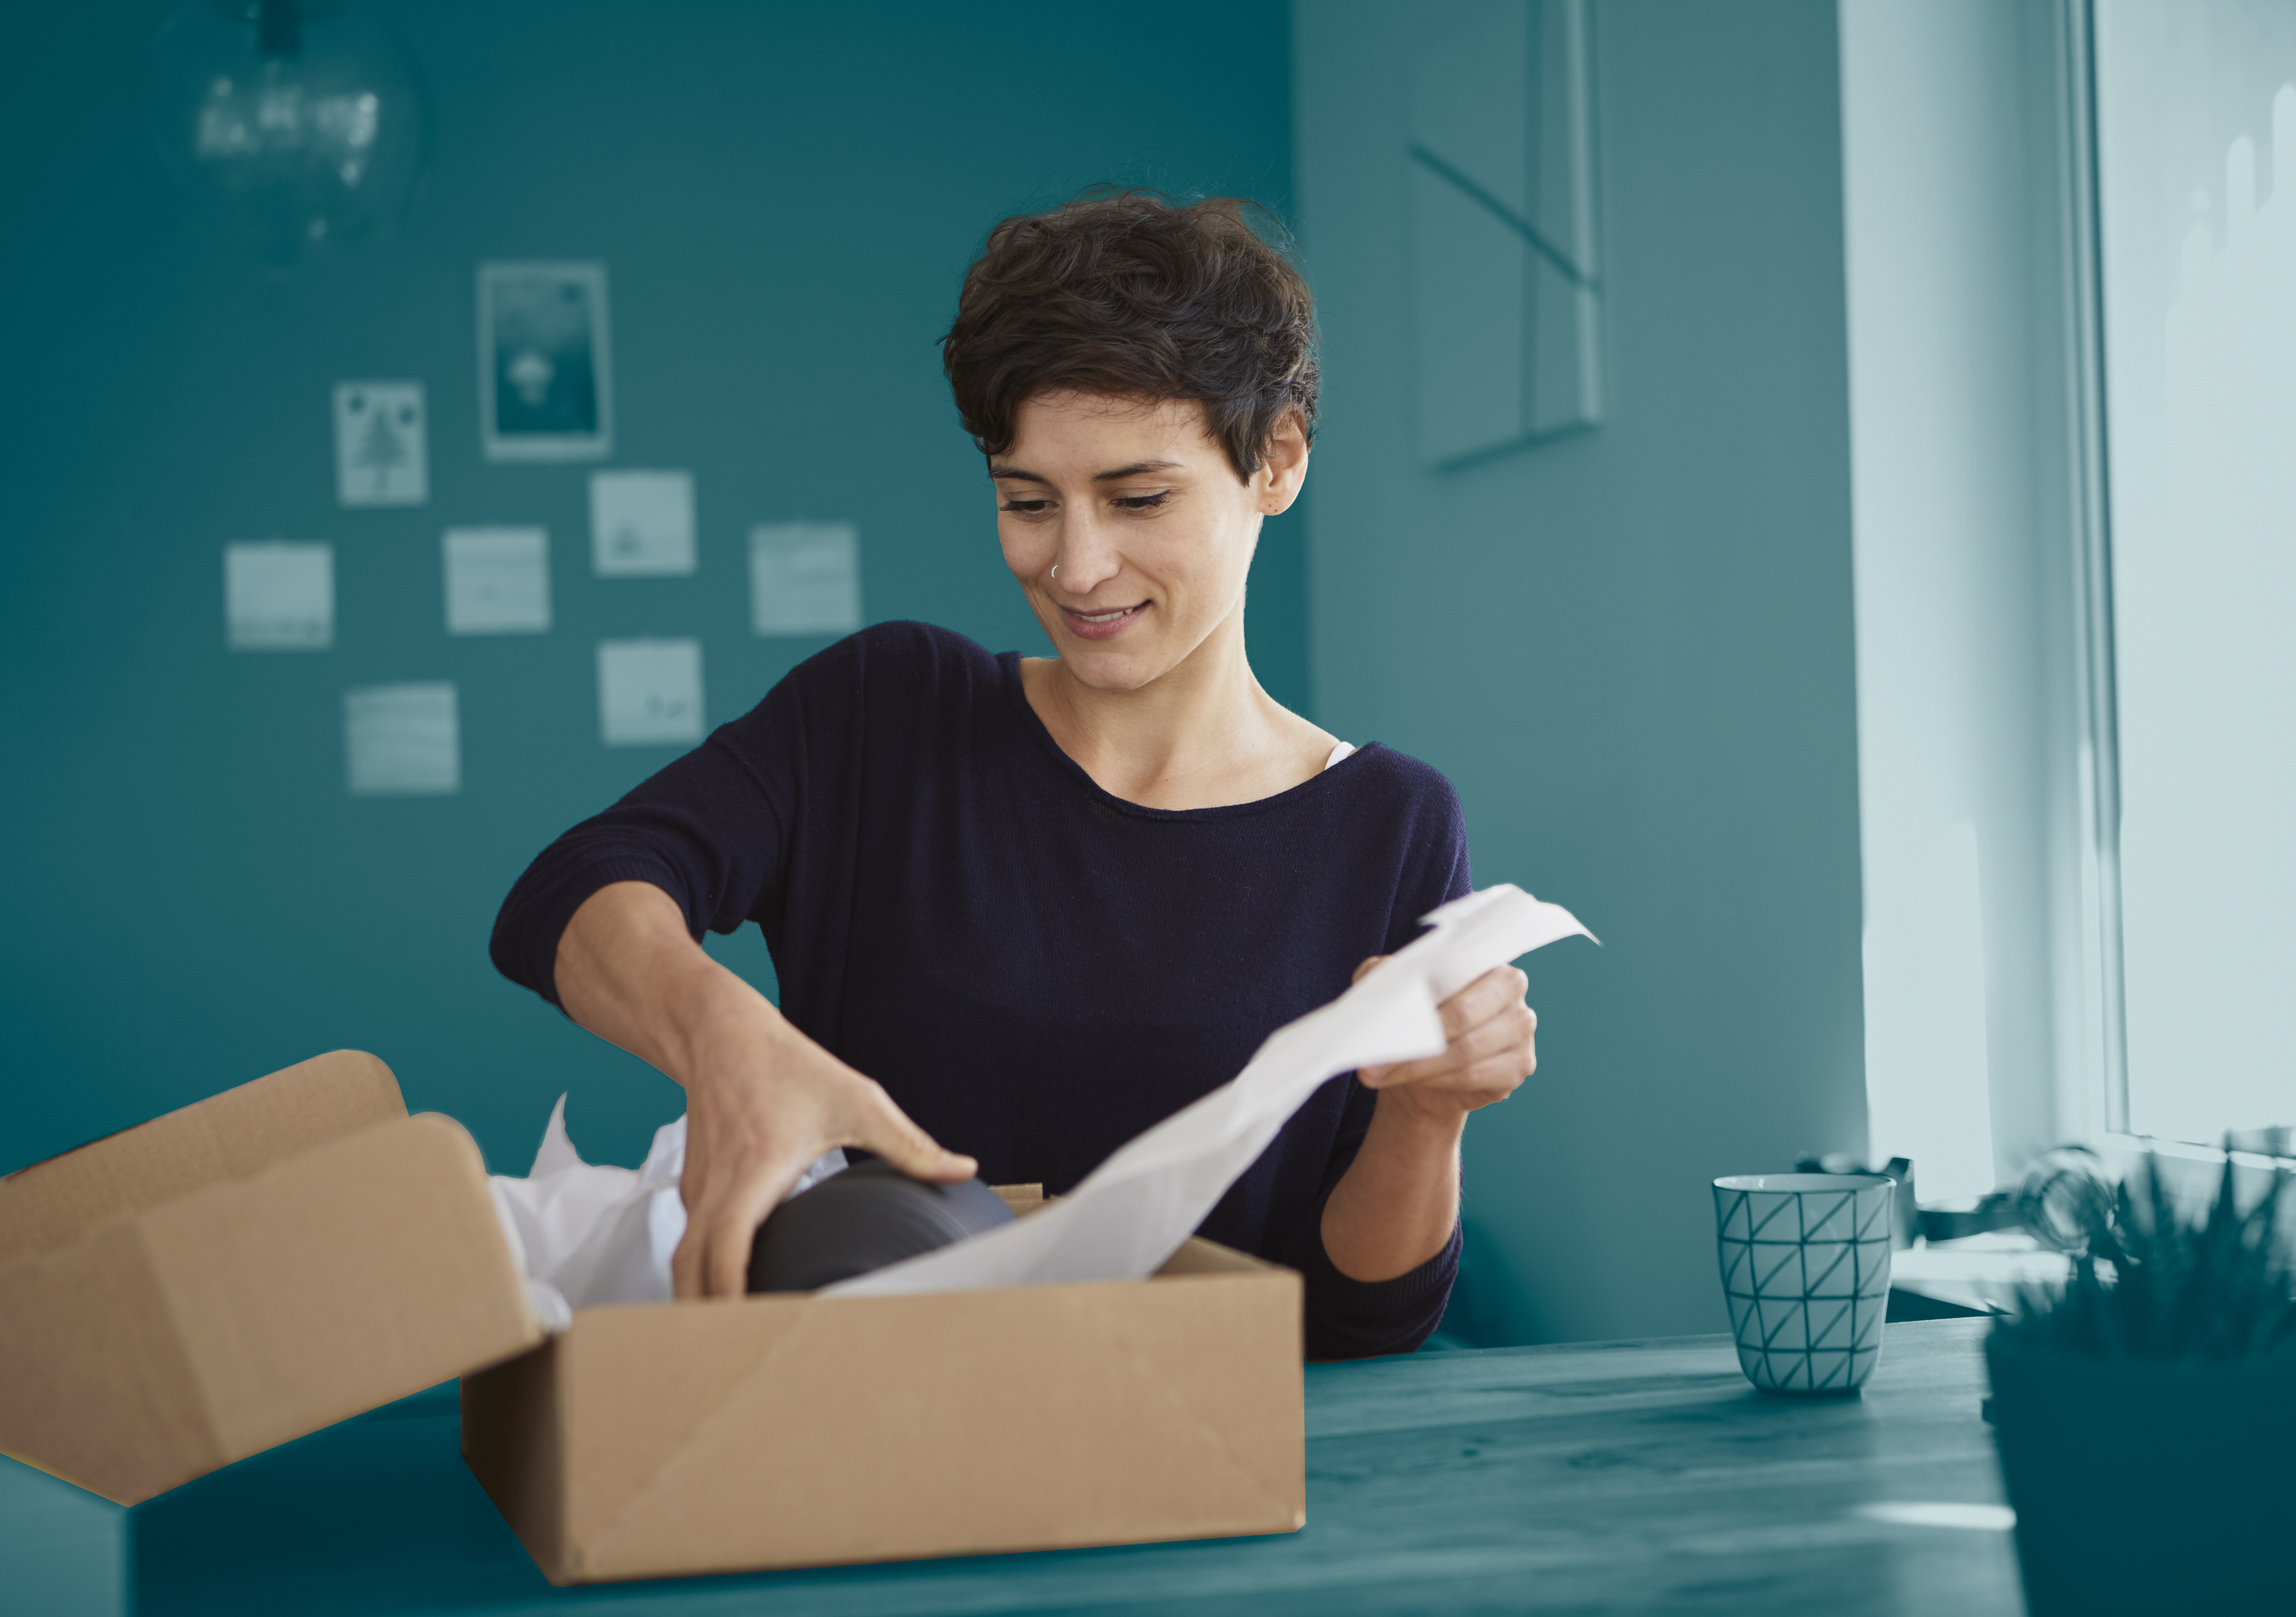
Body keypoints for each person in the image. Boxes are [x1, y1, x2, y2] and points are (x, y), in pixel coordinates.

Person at [491, 191, 1538, 1357]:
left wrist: (1426, 1112)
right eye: (1025, 501)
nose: (1076, 566)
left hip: (1201, 1474)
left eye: (1137, 497)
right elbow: (570, 890)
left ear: (1275, 460)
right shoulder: (886, 714)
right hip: (862, 1443)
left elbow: (1361, 1317)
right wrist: (721, 1036)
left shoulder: (1388, 823)